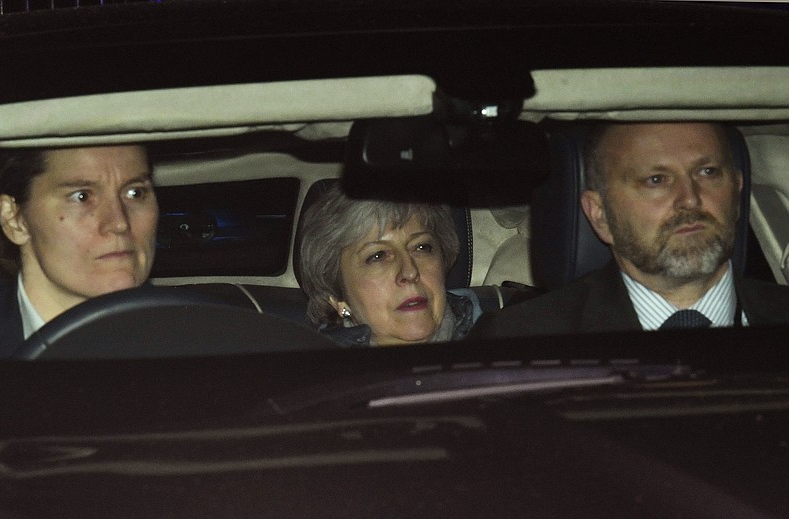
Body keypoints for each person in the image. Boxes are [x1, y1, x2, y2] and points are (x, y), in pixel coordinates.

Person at [472, 122, 789, 338]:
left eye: (708, 172)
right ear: (600, 216)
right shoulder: (523, 341)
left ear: (737, 192)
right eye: (656, 179)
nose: (690, 198)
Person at [0, 145, 159, 357]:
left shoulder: (198, 337)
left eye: (136, 193)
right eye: (82, 197)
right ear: (15, 220)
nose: (119, 223)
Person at [298, 183, 480, 347]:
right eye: (378, 256)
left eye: (422, 247)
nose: (409, 272)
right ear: (337, 298)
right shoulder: (321, 377)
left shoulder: (498, 339)